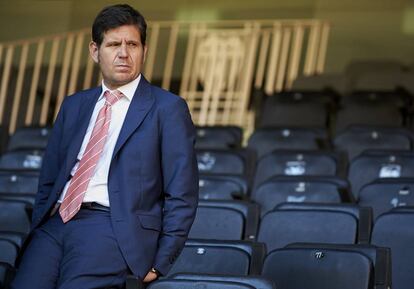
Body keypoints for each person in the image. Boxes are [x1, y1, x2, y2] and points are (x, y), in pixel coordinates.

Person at [11, 4, 199, 289]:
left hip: (112, 227)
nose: (124, 53)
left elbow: (182, 192)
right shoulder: (74, 105)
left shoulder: (167, 108)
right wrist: (40, 225)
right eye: (113, 44)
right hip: (55, 224)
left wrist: (161, 263)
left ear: (144, 51)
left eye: (132, 44)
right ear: (95, 51)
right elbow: (48, 179)